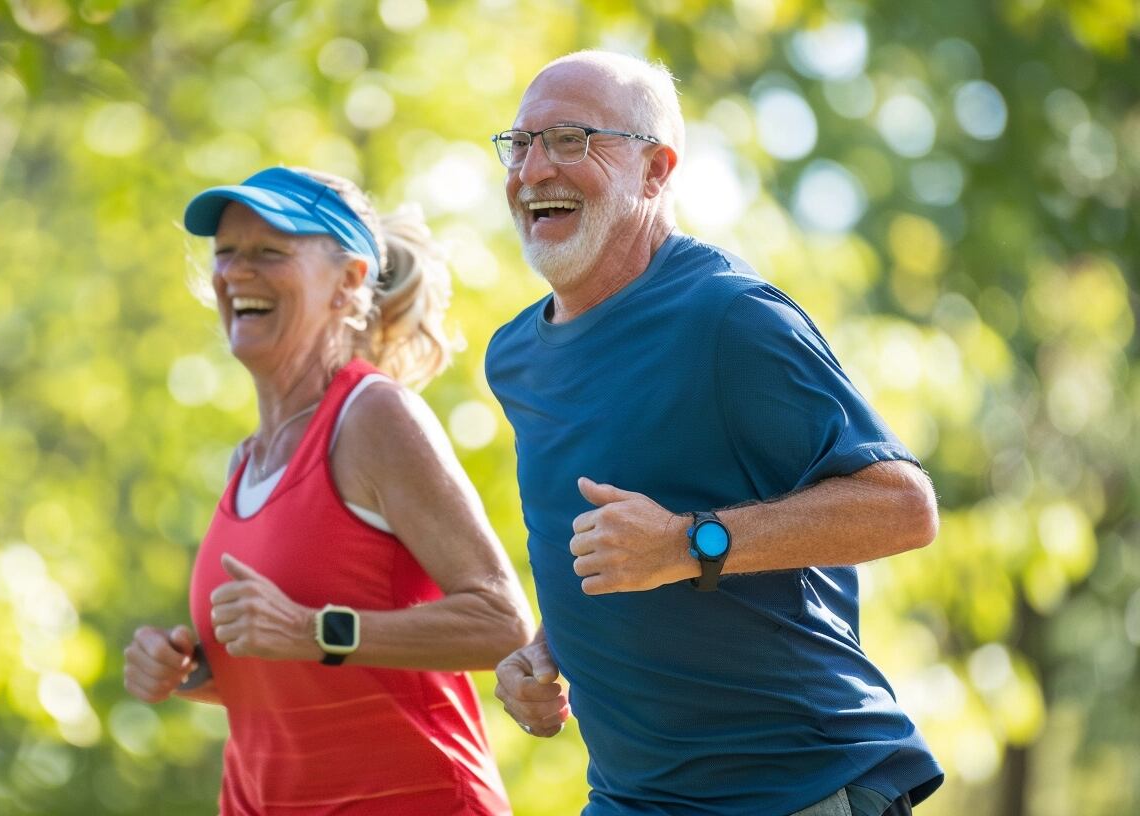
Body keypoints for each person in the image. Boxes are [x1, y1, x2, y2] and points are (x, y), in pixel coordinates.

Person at [484, 51, 945, 816]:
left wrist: (687, 544)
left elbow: (903, 507)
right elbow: (608, 545)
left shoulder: (730, 318)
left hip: (794, 788)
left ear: (656, 171)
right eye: (521, 143)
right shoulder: (516, 356)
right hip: (629, 798)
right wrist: (546, 647)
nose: (533, 170)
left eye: (569, 139)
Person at [122, 166, 533, 815]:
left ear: (347, 283)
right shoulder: (248, 460)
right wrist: (189, 671)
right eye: (226, 253)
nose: (234, 272)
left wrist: (317, 630)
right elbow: (298, 675)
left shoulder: (374, 418)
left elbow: (504, 623)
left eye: (268, 252)